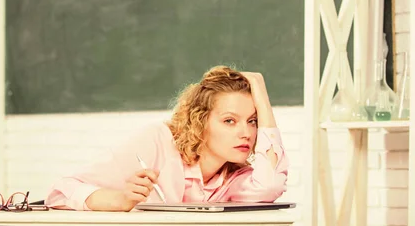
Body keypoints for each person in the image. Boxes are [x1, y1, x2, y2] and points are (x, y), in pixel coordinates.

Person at [45, 65, 289, 211]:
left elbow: (270, 186)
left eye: (253, 121)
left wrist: (263, 98)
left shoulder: (233, 177)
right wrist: (120, 199)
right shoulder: (157, 142)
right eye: (229, 121)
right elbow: (60, 191)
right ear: (200, 121)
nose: (246, 133)